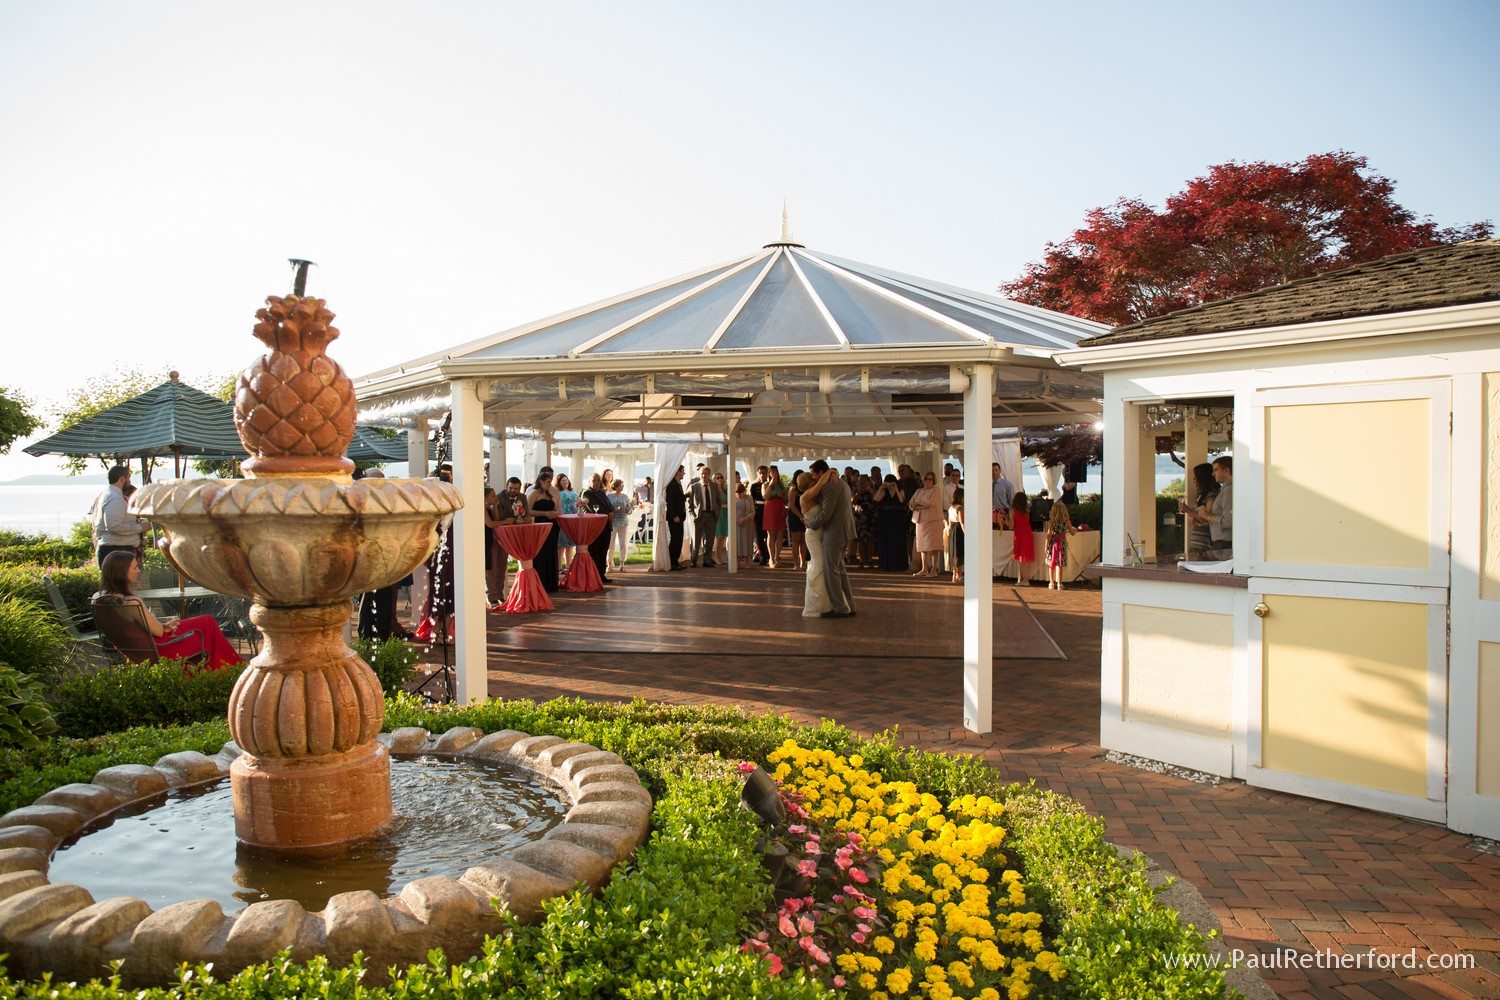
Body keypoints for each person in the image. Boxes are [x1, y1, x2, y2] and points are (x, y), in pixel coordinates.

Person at [97, 550, 241, 670]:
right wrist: (164, 626)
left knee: (204, 624)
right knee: (207, 623)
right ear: (122, 572)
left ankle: (223, 668)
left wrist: (164, 625)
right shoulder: (131, 602)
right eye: (134, 568)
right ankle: (232, 667)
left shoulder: (98, 598)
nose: (138, 571)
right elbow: (158, 632)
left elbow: (138, 628)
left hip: (138, 652)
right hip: (159, 649)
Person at [802, 460, 856, 618]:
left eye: (814, 474)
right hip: (844, 531)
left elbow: (826, 514)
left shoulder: (829, 487)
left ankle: (840, 608)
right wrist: (832, 472)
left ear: (821, 473)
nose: (813, 477)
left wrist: (811, 524)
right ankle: (849, 605)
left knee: (831, 572)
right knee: (841, 570)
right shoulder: (841, 482)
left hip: (835, 533)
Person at [93, 465, 146, 566]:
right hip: (117, 552)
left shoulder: (109, 494)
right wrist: (140, 527)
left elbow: (119, 520)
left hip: (117, 550)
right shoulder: (115, 498)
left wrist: (139, 522)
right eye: (129, 478)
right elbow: (114, 526)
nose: (130, 481)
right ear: (122, 479)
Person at [796, 472, 832, 618]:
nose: (814, 480)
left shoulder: (811, 496)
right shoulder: (805, 496)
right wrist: (829, 472)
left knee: (822, 565)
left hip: (821, 534)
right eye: (812, 479)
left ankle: (826, 601)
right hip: (813, 536)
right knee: (819, 564)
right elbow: (821, 483)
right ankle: (817, 604)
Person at [492, 476, 530, 601]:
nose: (513, 490)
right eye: (511, 488)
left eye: (516, 488)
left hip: (518, 533)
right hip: (502, 535)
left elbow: (527, 517)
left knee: (521, 560)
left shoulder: (523, 497)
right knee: (498, 566)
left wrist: (514, 520)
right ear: (506, 486)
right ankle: (495, 596)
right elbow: (501, 518)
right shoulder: (499, 497)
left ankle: (520, 592)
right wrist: (516, 520)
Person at [1187, 456, 1233, 559]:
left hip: (1225, 543)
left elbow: (1228, 521)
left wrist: (1208, 516)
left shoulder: (1228, 491)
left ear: (1226, 470)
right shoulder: (1224, 490)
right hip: (1220, 542)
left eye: (1216, 470)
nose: (1213, 474)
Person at [527, 470, 562, 592]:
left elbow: (556, 507)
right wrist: (545, 513)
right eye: (547, 482)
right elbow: (528, 511)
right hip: (540, 525)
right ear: (541, 481)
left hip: (552, 525)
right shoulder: (534, 493)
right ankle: (541, 582)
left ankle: (551, 582)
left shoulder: (549, 493)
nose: (549, 484)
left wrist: (555, 513)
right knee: (542, 552)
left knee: (551, 552)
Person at [579, 472, 614, 584]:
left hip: (606, 526)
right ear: (589, 481)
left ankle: (601, 574)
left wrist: (612, 513)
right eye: (594, 480)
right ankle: (594, 575)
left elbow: (610, 506)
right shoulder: (586, 493)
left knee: (603, 550)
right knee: (594, 551)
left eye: (598, 481)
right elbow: (591, 508)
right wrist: (607, 514)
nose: (596, 483)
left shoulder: (602, 493)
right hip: (594, 526)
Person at [909, 472, 945, 578]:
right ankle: (924, 569)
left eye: (930, 479)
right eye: (926, 479)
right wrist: (919, 505)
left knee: (934, 545)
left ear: (933, 480)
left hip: (933, 520)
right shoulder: (918, 491)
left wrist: (918, 504)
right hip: (920, 521)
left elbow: (931, 503)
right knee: (922, 545)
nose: (928, 481)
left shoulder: (936, 490)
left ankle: (934, 569)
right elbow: (911, 503)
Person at [1180, 463, 1218, 560]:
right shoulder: (1204, 495)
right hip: (1198, 542)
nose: (1194, 480)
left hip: (1204, 544)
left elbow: (1208, 519)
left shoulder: (1212, 496)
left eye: (1196, 477)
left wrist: (1188, 510)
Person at [873, 474, 909, 572]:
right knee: (887, 540)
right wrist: (881, 487)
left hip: (898, 519)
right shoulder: (884, 491)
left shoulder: (901, 490)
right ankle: (887, 564)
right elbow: (875, 499)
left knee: (898, 541)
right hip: (886, 519)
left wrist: (896, 489)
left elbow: (901, 500)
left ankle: (898, 564)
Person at [686, 465, 719, 568]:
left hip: (711, 515)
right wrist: (692, 514)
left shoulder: (714, 486)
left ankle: (707, 561)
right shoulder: (694, 486)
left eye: (706, 474)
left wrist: (717, 511)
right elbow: (689, 503)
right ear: (699, 475)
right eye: (702, 474)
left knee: (709, 540)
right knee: (696, 539)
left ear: (709, 474)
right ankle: (694, 561)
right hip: (698, 516)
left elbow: (718, 500)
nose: (704, 475)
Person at [1045, 501, 1078, 590]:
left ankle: (1051, 583)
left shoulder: (1052, 521)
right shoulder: (1066, 521)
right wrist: (1074, 529)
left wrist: (1046, 544)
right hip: (1062, 543)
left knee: (1051, 562)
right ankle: (1059, 584)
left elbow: (1049, 534)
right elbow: (1072, 533)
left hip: (1053, 543)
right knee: (1059, 564)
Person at [607, 478, 635, 573]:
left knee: (623, 544)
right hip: (613, 522)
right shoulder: (609, 496)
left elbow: (630, 510)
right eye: (621, 485)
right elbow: (607, 509)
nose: (623, 487)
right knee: (611, 544)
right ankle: (609, 564)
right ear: (617, 486)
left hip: (624, 522)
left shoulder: (625, 496)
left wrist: (627, 510)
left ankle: (622, 565)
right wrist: (616, 509)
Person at [762, 465, 788, 567]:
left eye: (775, 471)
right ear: (769, 473)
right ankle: (771, 558)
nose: (774, 474)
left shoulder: (781, 485)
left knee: (780, 534)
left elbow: (786, 499)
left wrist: (782, 495)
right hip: (770, 508)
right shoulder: (765, 484)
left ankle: (777, 557)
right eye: (772, 472)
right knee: (771, 534)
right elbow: (765, 496)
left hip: (780, 508)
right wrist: (770, 485)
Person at [665, 465, 688, 569]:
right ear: (677, 472)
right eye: (683, 471)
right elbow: (670, 502)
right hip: (675, 517)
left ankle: (676, 562)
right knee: (675, 539)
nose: (684, 473)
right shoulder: (672, 484)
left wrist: (686, 496)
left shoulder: (678, 483)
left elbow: (678, 498)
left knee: (679, 539)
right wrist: (675, 515)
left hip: (680, 516)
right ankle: (672, 563)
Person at [555, 474, 579, 573]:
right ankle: (559, 567)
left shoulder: (572, 491)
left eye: (566, 480)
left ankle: (569, 566)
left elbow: (577, 503)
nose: (565, 482)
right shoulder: (557, 492)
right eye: (563, 481)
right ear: (559, 483)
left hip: (573, 519)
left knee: (570, 544)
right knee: (561, 545)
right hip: (563, 518)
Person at [1011, 492, 1035, 585]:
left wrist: (1008, 517)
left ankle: (1025, 580)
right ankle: (1021, 579)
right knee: (1024, 559)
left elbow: (1011, 525)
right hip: (1027, 534)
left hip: (1020, 535)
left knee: (1022, 560)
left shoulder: (1014, 511)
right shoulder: (1026, 511)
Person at [786, 469, 808, 570]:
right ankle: (796, 563)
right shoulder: (793, 489)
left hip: (804, 515)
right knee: (796, 541)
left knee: (804, 541)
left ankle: (803, 562)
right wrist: (800, 516)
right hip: (795, 516)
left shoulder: (806, 488)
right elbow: (791, 505)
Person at [733, 481, 754, 569]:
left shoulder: (749, 498)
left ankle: (747, 562)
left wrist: (745, 519)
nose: (738, 494)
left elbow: (752, 512)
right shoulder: (732, 499)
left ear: (744, 491)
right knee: (737, 543)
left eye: (740, 492)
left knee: (747, 542)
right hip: (736, 524)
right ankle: (737, 562)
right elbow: (730, 511)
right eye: (737, 492)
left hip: (747, 523)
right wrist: (735, 520)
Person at [750, 467, 769, 564]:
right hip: (758, 511)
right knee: (759, 536)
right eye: (760, 473)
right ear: (757, 474)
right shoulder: (754, 486)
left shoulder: (770, 484)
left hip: (769, 510)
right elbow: (752, 500)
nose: (762, 475)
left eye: (764, 473)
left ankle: (769, 554)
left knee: (769, 534)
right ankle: (763, 556)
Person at [947, 487, 965, 584]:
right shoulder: (960, 508)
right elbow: (962, 522)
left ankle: (954, 575)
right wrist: (966, 532)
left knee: (954, 552)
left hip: (953, 530)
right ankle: (960, 575)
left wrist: (949, 535)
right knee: (959, 552)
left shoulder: (951, 508)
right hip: (959, 530)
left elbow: (949, 524)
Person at [712, 471, 730, 566]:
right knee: (718, 537)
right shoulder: (714, 490)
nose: (720, 479)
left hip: (725, 514)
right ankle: (716, 557)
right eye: (717, 478)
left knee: (723, 536)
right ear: (714, 480)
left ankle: (720, 557)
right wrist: (724, 505)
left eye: (721, 477)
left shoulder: (724, 489)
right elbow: (714, 503)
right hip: (718, 514)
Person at [991, 463, 1014, 531]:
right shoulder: (987, 484)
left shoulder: (1008, 485)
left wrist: (1010, 519)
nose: (994, 472)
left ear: (1000, 471)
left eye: (996, 470)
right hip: (990, 517)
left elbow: (1011, 503)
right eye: (992, 470)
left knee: (1003, 536)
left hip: (1003, 516)